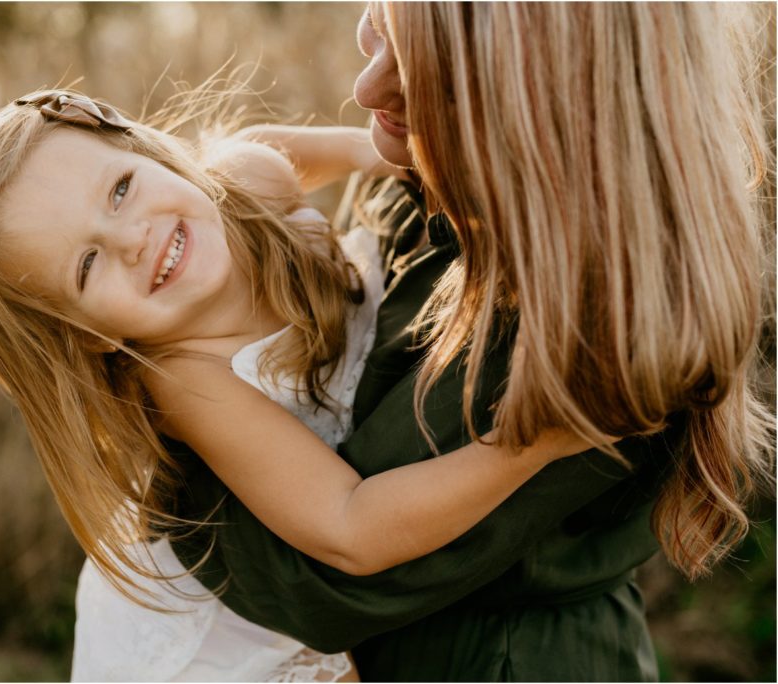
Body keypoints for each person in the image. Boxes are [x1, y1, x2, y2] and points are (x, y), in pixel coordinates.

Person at [166, 2, 775, 681]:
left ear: (558, 98)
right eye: (381, 26)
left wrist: (162, 403)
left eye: (436, 76)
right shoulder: (430, 171)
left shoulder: (587, 323)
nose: (367, 89)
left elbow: (320, 579)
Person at [0, 89, 596, 681]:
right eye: (87, 265)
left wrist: (392, 156)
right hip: (223, 647)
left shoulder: (247, 179)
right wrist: (533, 444)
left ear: (152, 154)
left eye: (122, 188)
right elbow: (349, 529)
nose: (133, 238)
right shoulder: (188, 379)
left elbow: (313, 149)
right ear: (90, 337)